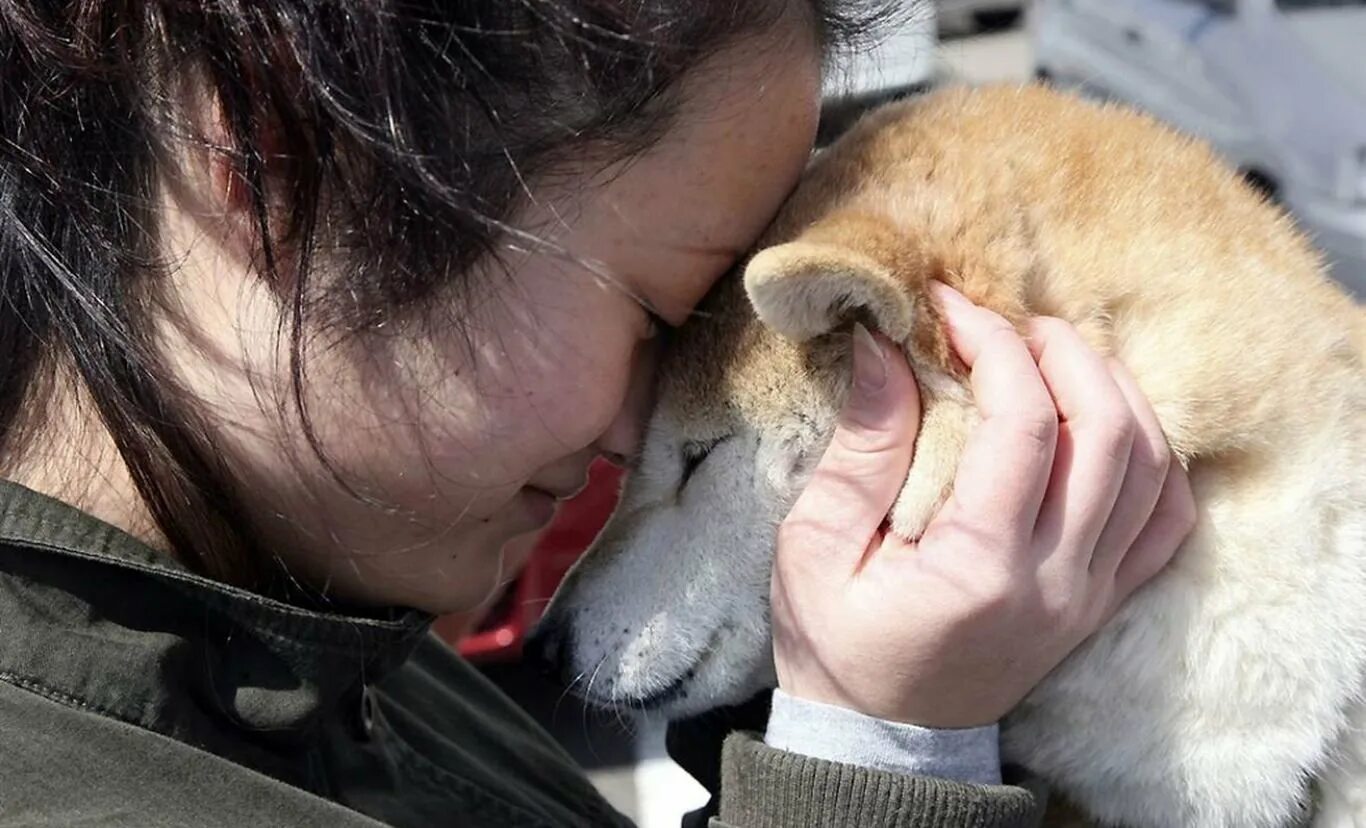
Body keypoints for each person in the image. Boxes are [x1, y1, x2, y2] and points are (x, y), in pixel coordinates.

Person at [0, 1, 1194, 825]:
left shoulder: (310, 603)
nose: (635, 432)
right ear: (276, 163)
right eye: (656, 315)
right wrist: (878, 759)